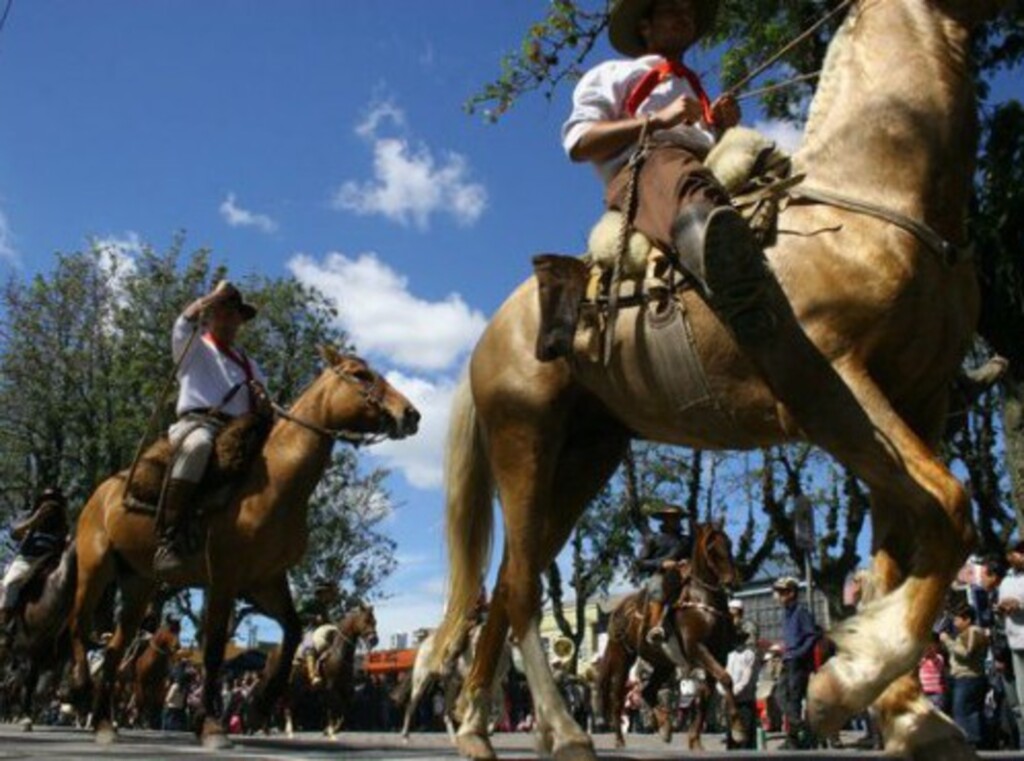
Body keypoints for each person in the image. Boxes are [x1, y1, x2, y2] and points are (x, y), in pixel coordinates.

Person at [562, 0, 774, 342]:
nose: (685, 17)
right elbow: (579, 142)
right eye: (673, 9)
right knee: (676, 170)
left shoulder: (694, 87)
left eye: (690, 11)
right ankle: (738, 294)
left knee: (764, 158)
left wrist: (719, 127)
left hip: (696, 168)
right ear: (645, 26)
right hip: (646, 170)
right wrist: (656, 120)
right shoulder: (611, 74)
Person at [153, 280, 268, 577]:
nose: (230, 319)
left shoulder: (249, 364)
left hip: (239, 431)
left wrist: (262, 401)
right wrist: (211, 297)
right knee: (198, 447)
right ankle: (169, 537)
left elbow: (265, 405)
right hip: (198, 423)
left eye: (235, 315)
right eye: (223, 312)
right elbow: (183, 322)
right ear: (211, 314)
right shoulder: (193, 347)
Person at [0, 486, 70, 636]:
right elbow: (14, 533)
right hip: (27, 559)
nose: (51, 506)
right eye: (47, 502)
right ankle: (4, 626)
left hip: (53, 562)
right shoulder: (28, 516)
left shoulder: (63, 525)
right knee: (11, 582)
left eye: (55, 502)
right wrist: (35, 519)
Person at [635, 503, 691, 644]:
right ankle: (656, 628)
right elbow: (640, 564)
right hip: (661, 576)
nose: (675, 521)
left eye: (677, 518)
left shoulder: (687, 540)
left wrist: (687, 562)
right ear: (664, 520)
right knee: (657, 586)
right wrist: (662, 564)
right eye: (671, 518)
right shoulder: (653, 539)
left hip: (685, 575)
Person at [773, 575, 818, 750]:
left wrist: (798, 653)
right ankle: (802, 728)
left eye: (783, 592)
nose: (779, 595)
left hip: (798, 662)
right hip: (787, 659)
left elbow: (811, 636)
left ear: (792, 593)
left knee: (794, 699)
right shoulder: (785, 613)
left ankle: (794, 739)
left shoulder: (801, 612)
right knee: (779, 696)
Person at [940, 603, 990, 747]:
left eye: (957, 620)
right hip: (965, 678)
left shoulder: (973, 631)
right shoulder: (966, 633)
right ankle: (978, 742)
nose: (955, 623)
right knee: (969, 711)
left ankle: (971, 742)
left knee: (962, 712)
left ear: (967, 619)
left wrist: (947, 640)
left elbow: (966, 653)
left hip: (969, 678)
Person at [997, 539, 1024, 748]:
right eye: (1014, 553)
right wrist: (1002, 608)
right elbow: (1000, 608)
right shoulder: (1006, 581)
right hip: (1015, 642)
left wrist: (1020, 605)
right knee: (1021, 698)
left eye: (1019, 553)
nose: (1016, 557)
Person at [719, 619, 760, 749]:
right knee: (731, 735)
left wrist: (732, 692)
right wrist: (725, 692)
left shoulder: (749, 655)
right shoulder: (728, 655)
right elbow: (719, 677)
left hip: (745, 701)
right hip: (729, 701)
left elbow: (745, 680)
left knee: (746, 735)